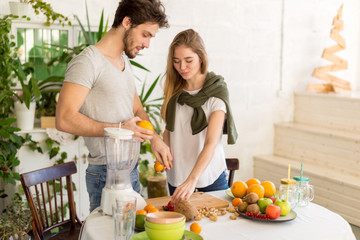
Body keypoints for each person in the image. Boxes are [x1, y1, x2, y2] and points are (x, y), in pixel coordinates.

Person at [56, 0, 172, 212]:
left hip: (131, 171)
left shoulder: (123, 62)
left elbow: (136, 108)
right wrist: (120, 130)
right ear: (127, 22)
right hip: (105, 174)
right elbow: (64, 119)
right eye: (145, 34)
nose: (147, 44)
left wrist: (154, 138)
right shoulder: (87, 62)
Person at [161, 29, 238, 203]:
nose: (182, 67)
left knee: (218, 228)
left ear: (201, 58)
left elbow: (211, 142)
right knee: (183, 229)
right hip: (177, 177)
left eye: (188, 60)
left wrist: (192, 179)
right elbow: (170, 129)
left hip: (209, 177)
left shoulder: (216, 92)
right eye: (176, 61)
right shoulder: (174, 90)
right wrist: (164, 152)